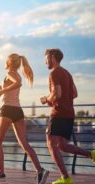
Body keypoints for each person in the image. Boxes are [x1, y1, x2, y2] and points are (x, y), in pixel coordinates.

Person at [0, 53, 49, 184]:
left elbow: (18, 84)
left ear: (9, 62)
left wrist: (3, 91)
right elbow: (12, 85)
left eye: (6, 59)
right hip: (18, 111)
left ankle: (0, 171)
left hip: (7, 110)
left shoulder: (11, 73)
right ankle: (40, 170)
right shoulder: (14, 74)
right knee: (24, 144)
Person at [40, 48, 95, 184]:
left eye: (46, 58)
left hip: (58, 114)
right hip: (69, 114)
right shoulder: (67, 73)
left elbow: (57, 94)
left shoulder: (54, 74)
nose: (45, 61)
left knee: (51, 144)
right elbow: (75, 93)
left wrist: (46, 99)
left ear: (52, 57)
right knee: (63, 146)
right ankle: (91, 154)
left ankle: (65, 178)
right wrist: (60, 98)